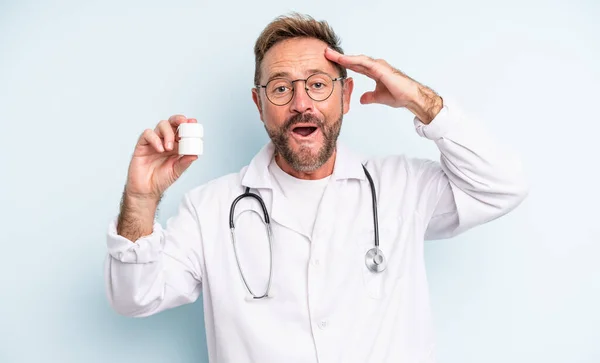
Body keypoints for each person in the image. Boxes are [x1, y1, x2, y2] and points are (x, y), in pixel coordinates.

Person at [104, 12, 528, 363]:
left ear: (346, 95)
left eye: (318, 84)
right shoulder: (209, 210)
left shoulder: (403, 187)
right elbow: (135, 297)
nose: (301, 103)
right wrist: (141, 199)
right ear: (260, 105)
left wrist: (421, 99)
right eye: (282, 87)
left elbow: (502, 186)